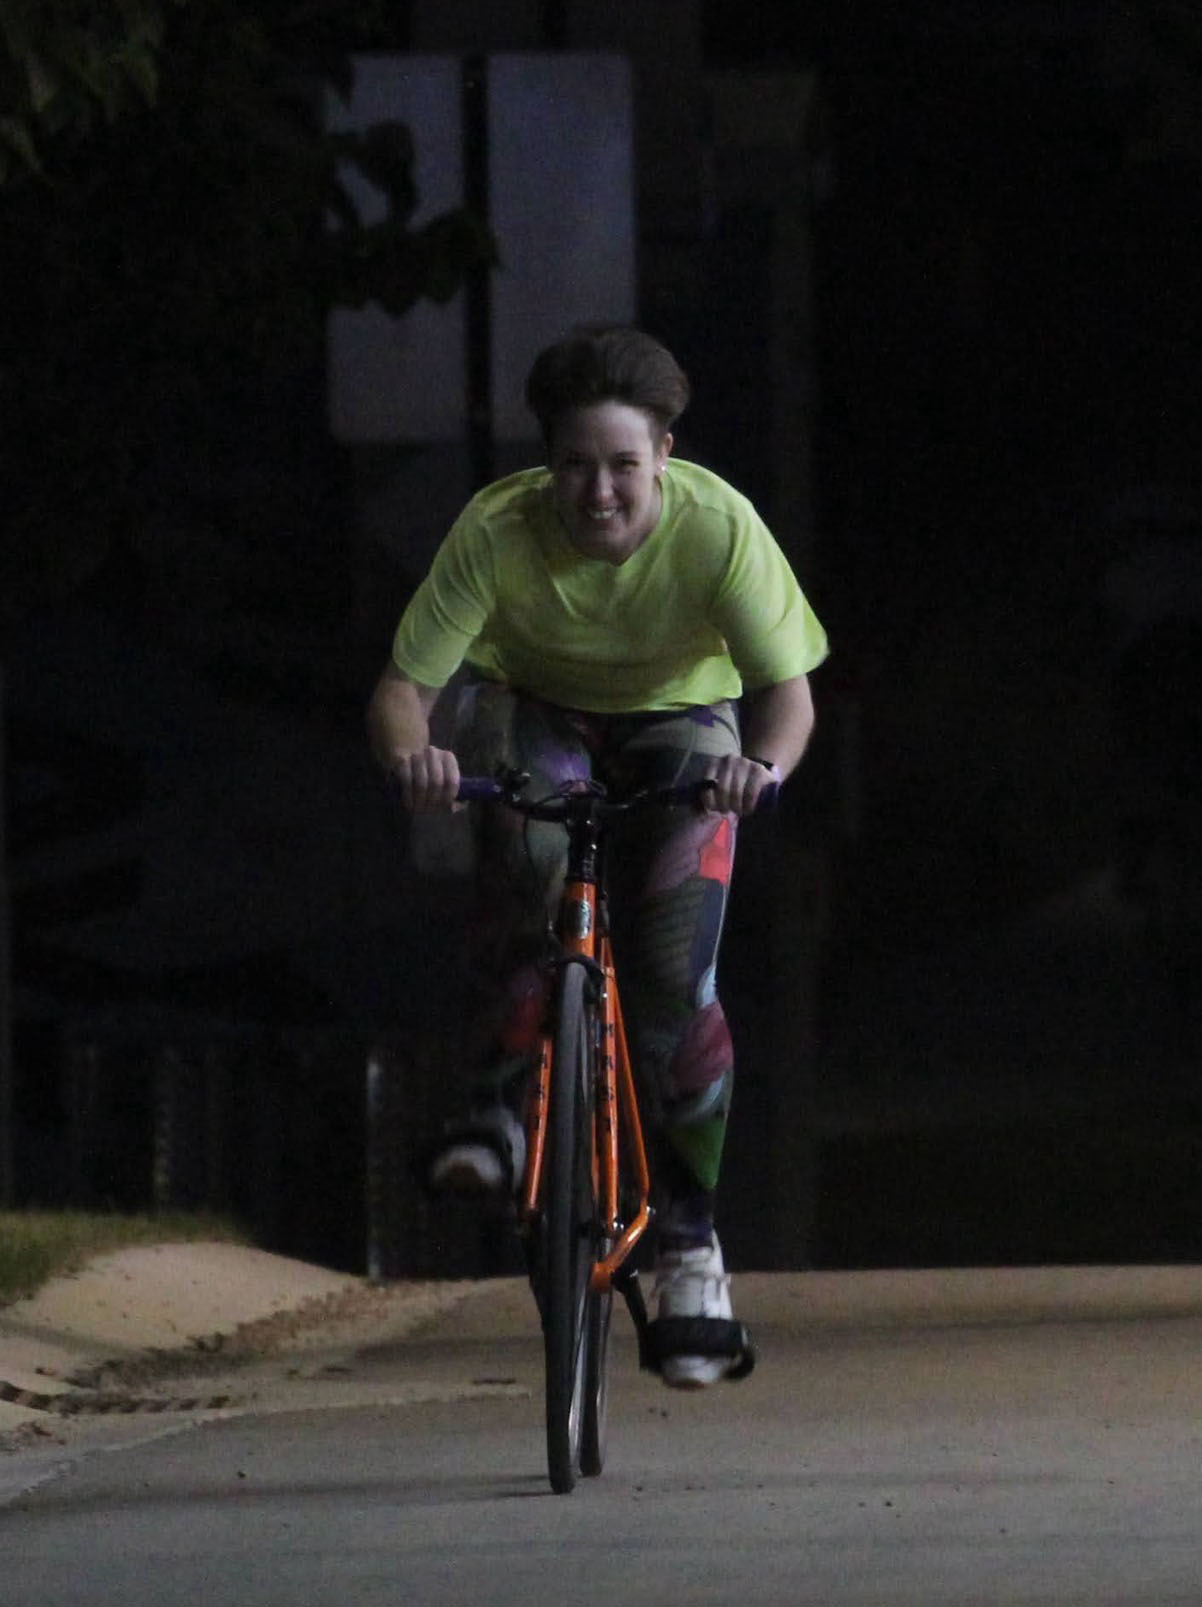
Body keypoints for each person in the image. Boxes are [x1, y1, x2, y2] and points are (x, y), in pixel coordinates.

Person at [367, 326, 828, 1387]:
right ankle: (499, 1097)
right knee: (531, 847)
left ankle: (689, 1247)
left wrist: (759, 768)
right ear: (548, 465)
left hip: (680, 723)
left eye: (623, 464)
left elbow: (786, 696)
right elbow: (403, 693)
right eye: (575, 464)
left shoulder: (718, 529)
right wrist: (415, 761)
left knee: (675, 970)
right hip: (534, 711)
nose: (599, 492)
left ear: (664, 453)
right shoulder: (496, 528)